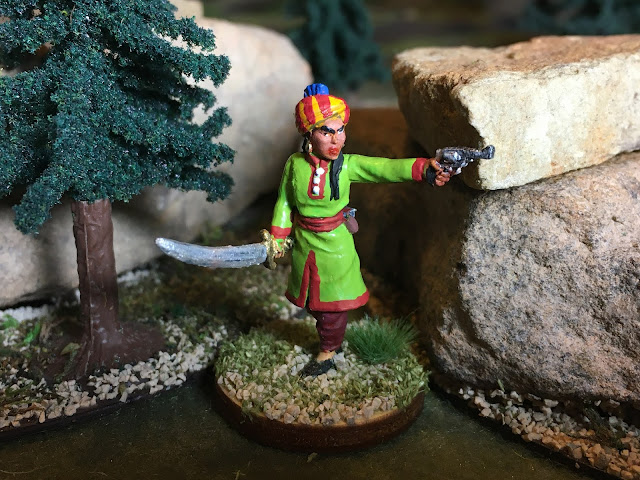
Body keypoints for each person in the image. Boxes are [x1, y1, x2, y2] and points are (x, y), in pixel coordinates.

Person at [269, 83, 450, 377]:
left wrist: (424, 169)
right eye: (326, 131)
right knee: (311, 298)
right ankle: (326, 332)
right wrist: (278, 236)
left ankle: (329, 349)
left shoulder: (348, 165)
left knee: (332, 306)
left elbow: (384, 168)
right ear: (309, 134)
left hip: (335, 247)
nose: (336, 138)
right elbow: (285, 202)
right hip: (304, 243)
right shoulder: (294, 165)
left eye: (340, 130)